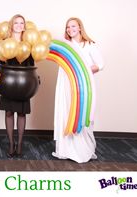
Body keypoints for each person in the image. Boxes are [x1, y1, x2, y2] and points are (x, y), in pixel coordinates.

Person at [52, 17, 104, 163]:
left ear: (80, 27)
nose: (70, 29)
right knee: (66, 114)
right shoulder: (65, 45)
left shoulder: (89, 45)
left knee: (80, 115)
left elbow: (100, 64)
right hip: (65, 85)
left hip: (82, 86)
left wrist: (83, 71)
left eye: (73, 26)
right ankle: (66, 150)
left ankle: (82, 151)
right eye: (68, 27)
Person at [0, 14, 34, 158]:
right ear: (11, 25)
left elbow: (32, 63)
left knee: (21, 113)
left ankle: (19, 144)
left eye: (21, 23)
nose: (19, 25)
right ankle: (11, 143)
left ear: (24, 26)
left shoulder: (29, 42)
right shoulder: (4, 42)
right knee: (8, 113)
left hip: (24, 82)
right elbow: (0, 60)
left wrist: (33, 80)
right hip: (8, 82)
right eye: (16, 23)